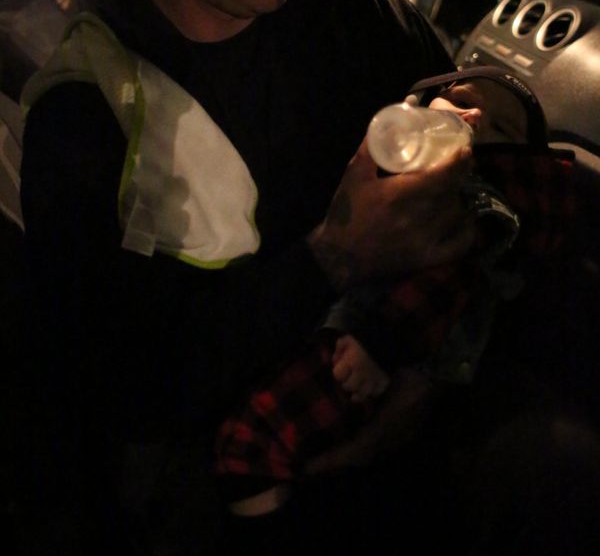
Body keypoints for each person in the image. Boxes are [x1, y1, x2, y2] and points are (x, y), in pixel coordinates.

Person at [16, 0, 475, 556]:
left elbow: (469, 112)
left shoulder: (354, 12)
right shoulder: (85, 117)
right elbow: (118, 391)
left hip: (421, 426)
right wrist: (335, 256)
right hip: (240, 499)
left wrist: (494, 118)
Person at [214, 66, 574, 517]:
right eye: (461, 98)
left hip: (391, 349)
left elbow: (443, 283)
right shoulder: (393, 162)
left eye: (502, 128)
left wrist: (378, 337)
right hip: (341, 328)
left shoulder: (478, 204)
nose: (474, 115)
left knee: (273, 432)